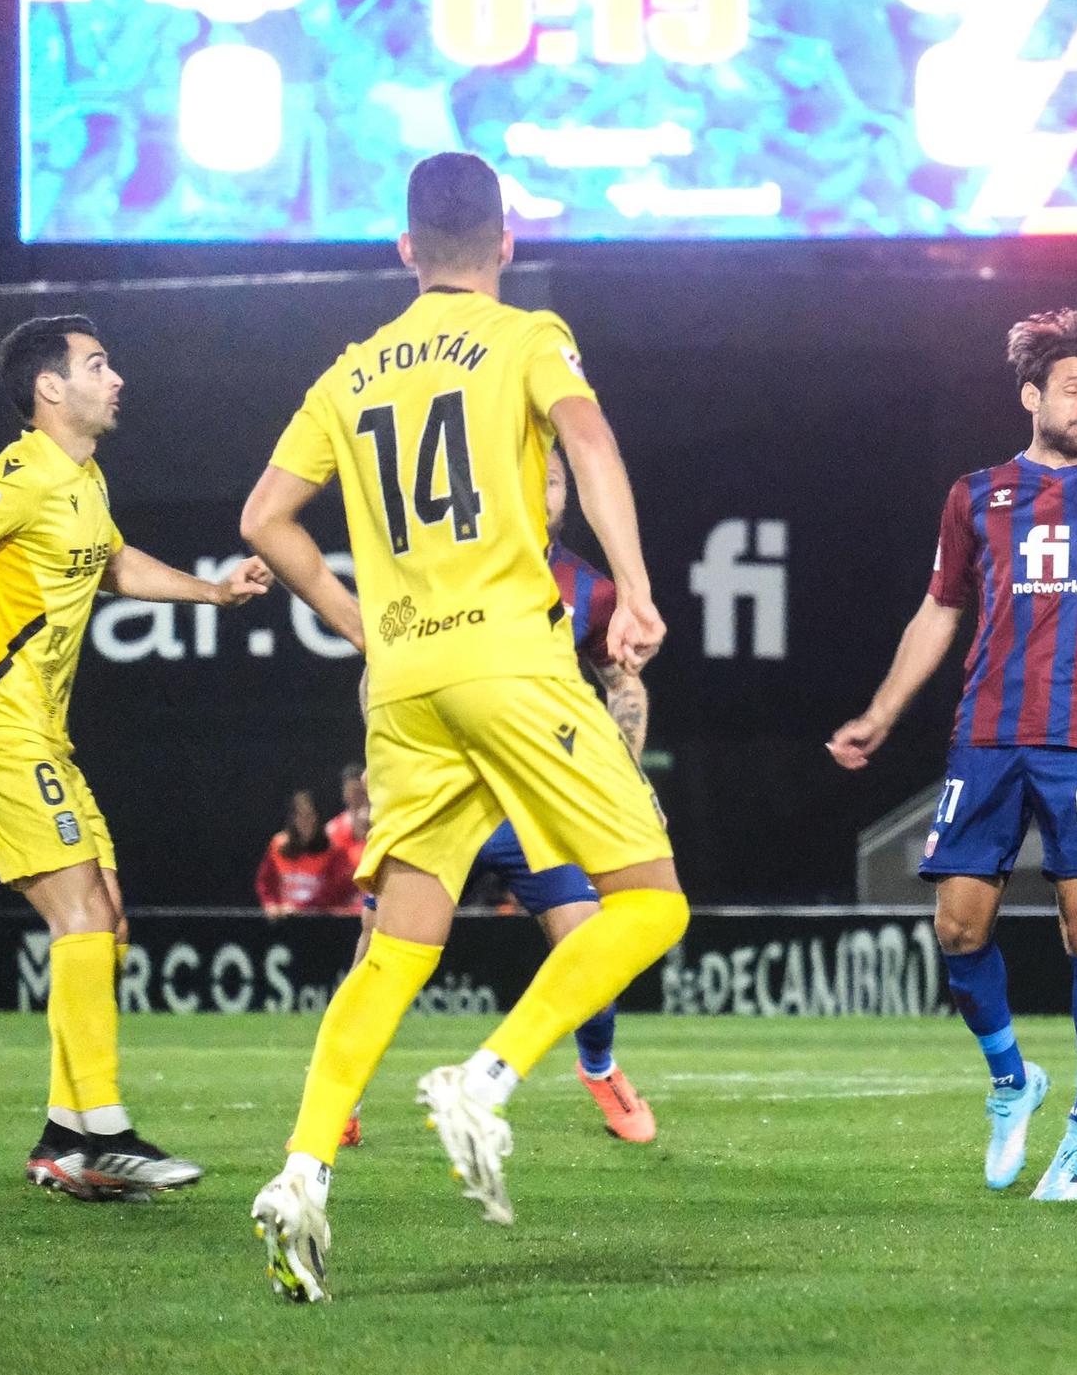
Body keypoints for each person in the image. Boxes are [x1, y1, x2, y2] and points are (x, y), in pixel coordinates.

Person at [241, 153, 686, 1301]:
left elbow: (264, 518)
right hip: (508, 654)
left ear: (403, 250)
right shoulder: (528, 334)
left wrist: (354, 619)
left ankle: (298, 1176)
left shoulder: (346, 372)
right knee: (650, 901)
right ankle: (485, 1079)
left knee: (397, 946)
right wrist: (633, 585)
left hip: (402, 682)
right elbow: (588, 445)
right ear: (504, 240)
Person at [829, 309, 1077, 1202]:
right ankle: (1011, 1079)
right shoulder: (975, 495)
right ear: (1031, 395)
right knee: (959, 926)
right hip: (985, 734)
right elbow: (939, 609)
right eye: (1073, 387)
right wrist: (881, 710)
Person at [0, 316, 270, 1201]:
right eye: (97, 364)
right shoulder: (16, 475)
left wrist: (211, 588)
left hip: (42, 734)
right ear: (51, 388)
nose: (116, 377)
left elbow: (114, 563)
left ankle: (62, 1139)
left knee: (105, 922)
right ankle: (108, 1135)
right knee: (82, 912)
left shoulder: (82, 477)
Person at [342, 447, 663, 1152]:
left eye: (555, 479)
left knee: (593, 953)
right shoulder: (441, 569)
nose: (544, 488)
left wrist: (616, 781)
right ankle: (343, 1094)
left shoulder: (589, 589)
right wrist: (386, 768)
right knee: (380, 951)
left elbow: (625, 686)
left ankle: (600, 1068)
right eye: (531, 473)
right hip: (443, 797)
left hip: (532, 807)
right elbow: (381, 677)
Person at [256, 790, 360, 917]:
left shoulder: (334, 851)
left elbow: (337, 891)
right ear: (292, 819)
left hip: (320, 922)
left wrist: (302, 909)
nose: (306, 821)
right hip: (284, 919)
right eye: (300, 815)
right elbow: (265, 882)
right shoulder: (278, 845)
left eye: (309, 815)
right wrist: (271, 905)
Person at [324, 762, 368, 877]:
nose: (354, 797)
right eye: (350, 792)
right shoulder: (333, 828)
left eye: (359, 792)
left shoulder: (380, 821)